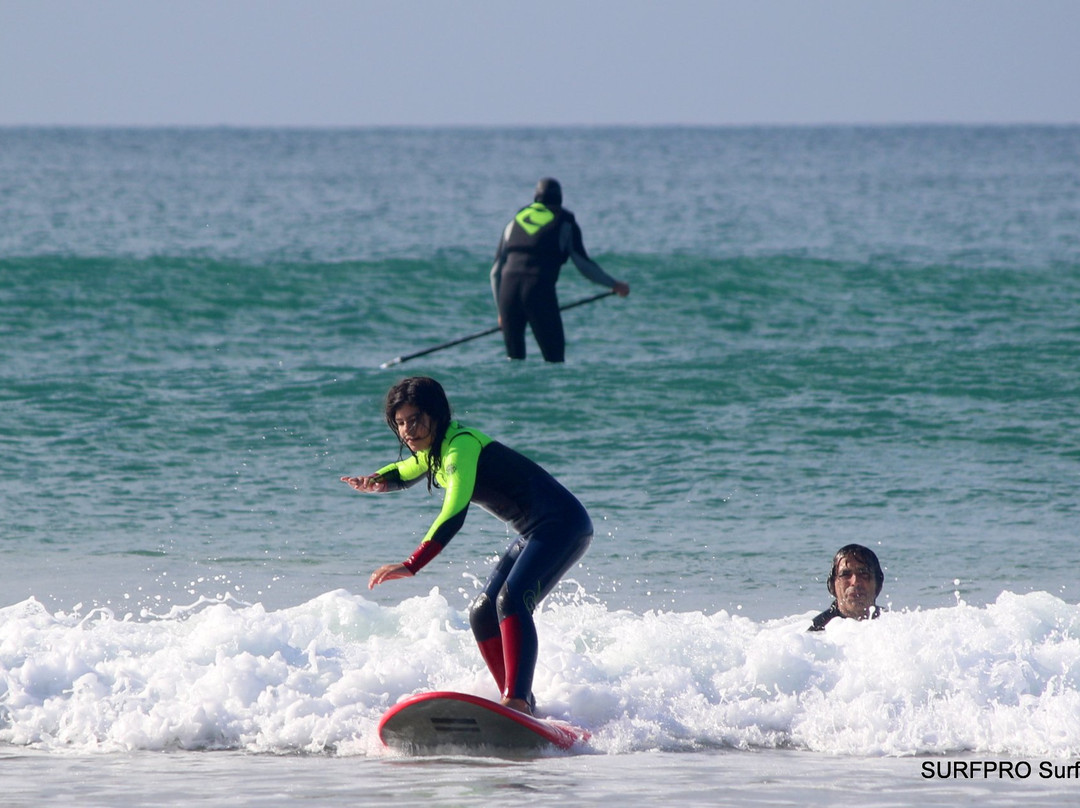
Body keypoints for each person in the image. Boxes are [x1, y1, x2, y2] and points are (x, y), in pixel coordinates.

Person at [341, 376, 593, 715]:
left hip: (564, 524)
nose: (407, 431)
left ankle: (516, 701)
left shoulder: (460, 445)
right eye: (400, 423)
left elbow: (454, 511)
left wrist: (413, 563)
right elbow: (403, 471)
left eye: (414, 420)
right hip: (534, 532)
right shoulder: (432, 452)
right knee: (482, 612)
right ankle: (518, 700)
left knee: (512, 601)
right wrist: (375, 481)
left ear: (436, 414)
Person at [490, 177, 630, 362]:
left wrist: (502, 311)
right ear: (560, 199)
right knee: (554, 360)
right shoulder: (564, 221)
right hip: (538, 291)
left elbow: (495, 272)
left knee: (514, 361)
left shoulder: (516, 220)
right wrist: (614, 284)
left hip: (507, 293)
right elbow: (583, 265)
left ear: (536, 197)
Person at [808, 544, 884, 631]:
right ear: (833, 585)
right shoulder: (817, 633)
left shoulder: (892, 623)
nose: (855, 582)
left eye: (864, 574)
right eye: (845, 575)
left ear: (878, 583)